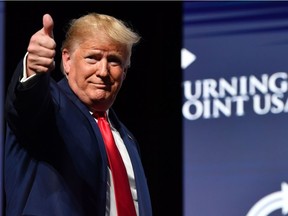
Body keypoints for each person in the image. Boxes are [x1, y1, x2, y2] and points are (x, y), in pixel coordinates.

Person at [4, 12, 152, 216]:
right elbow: (24, 106)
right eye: (92, 58)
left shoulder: (127, 139)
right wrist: (32, 69)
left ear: (125, 71)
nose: (103, 71)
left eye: (115, 61)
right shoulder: (50, 105)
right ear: (67, 60)